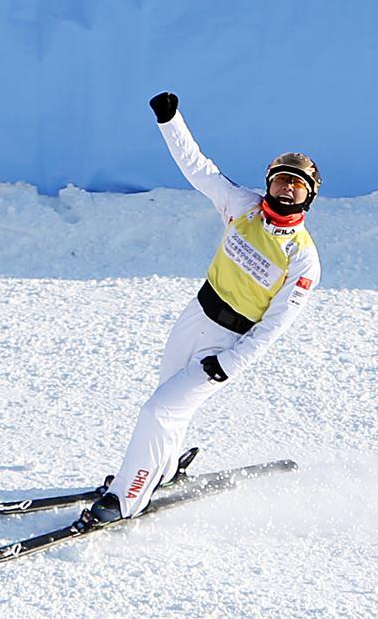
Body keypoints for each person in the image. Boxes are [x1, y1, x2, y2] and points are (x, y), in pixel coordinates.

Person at [88, 91, 322, 524]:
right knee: (167, 399)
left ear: (308, 196)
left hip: (227, 341)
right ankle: (164, 467)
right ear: (268, 182)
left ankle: (126, 497)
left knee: (160, 409)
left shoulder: (304, 259)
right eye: (280, 179)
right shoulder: (243, 206)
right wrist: (170, 120)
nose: (286, 187)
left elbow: (274, 327)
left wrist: (229, 363)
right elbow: (199, 169)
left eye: (296, 183)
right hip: (196, 314)